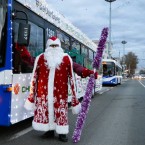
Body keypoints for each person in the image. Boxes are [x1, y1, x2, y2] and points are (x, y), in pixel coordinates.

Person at [24, 36, 82, 142]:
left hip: (60, 94)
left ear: (59, 46)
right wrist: (32, 96)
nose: (54, 48)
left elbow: (72, 79)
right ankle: (49, 130)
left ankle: (62, 133)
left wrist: (75, 99)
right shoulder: (40, 58)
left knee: (60, 113)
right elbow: (34, 77)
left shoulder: (66, 58)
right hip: (44, 93)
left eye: (56, 45)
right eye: (52, 45)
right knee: (46, 112)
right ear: (47, 47)